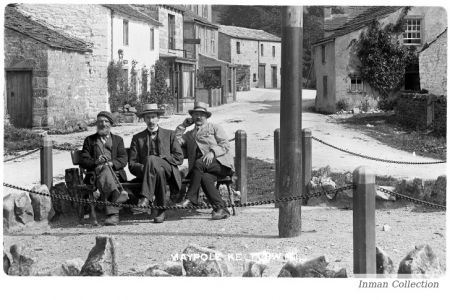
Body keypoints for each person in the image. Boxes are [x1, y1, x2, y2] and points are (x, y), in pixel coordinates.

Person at [175, 102, 234, 220]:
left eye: (201, 114)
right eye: (195, 114)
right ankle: (221, 209)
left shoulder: (214, 128)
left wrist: (212, 152)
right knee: (204, 177)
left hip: (221, 165)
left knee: (199, 163)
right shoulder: (189, 134)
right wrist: (182, 126)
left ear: (206, 116)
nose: (198, 117)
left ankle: (191, 198)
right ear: (191, 117)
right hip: (202, 170)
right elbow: (176, 141)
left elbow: (225, 144)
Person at [128, 103, 184, 223]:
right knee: (157, 170)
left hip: (169, 169)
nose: (151, 121)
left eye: (153, 117)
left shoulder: (169, 134)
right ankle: (161, 211)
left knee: (151, 159)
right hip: (151, 172)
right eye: (148, 118)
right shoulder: (137, 138)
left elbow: (179, 158)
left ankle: (145, 198)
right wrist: (148, 169)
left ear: (158, 118)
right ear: (144, 120)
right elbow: (132, 164)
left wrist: (162, 159)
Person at [79, 111, 128, 226]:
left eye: (106, 121)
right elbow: (83, 160)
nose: (103, 124)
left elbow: (123, 159)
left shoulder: (118, 140)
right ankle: (116, 200)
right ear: (97, 124)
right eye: (100, 121)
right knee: (105, 171)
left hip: (116, 172)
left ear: (110, 124)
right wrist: (96, 161)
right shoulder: (89, 140)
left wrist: (111, 164)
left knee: (107, 172)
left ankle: (113, 213)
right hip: (95, 174)